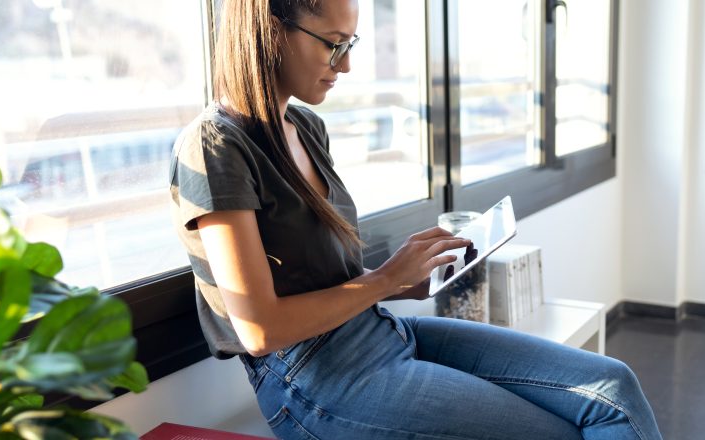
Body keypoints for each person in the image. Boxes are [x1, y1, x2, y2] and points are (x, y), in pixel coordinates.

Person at [169, 0, 663, 438]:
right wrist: (384, 280)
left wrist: (402, 282)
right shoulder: (216, 146)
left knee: (612, 389)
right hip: (312, 378)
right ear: (272, 30)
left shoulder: (305, 128)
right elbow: (259, 330)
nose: (347, 64)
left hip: (378, 331)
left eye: (351, 43)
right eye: (334, 45)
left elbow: (316, 280)